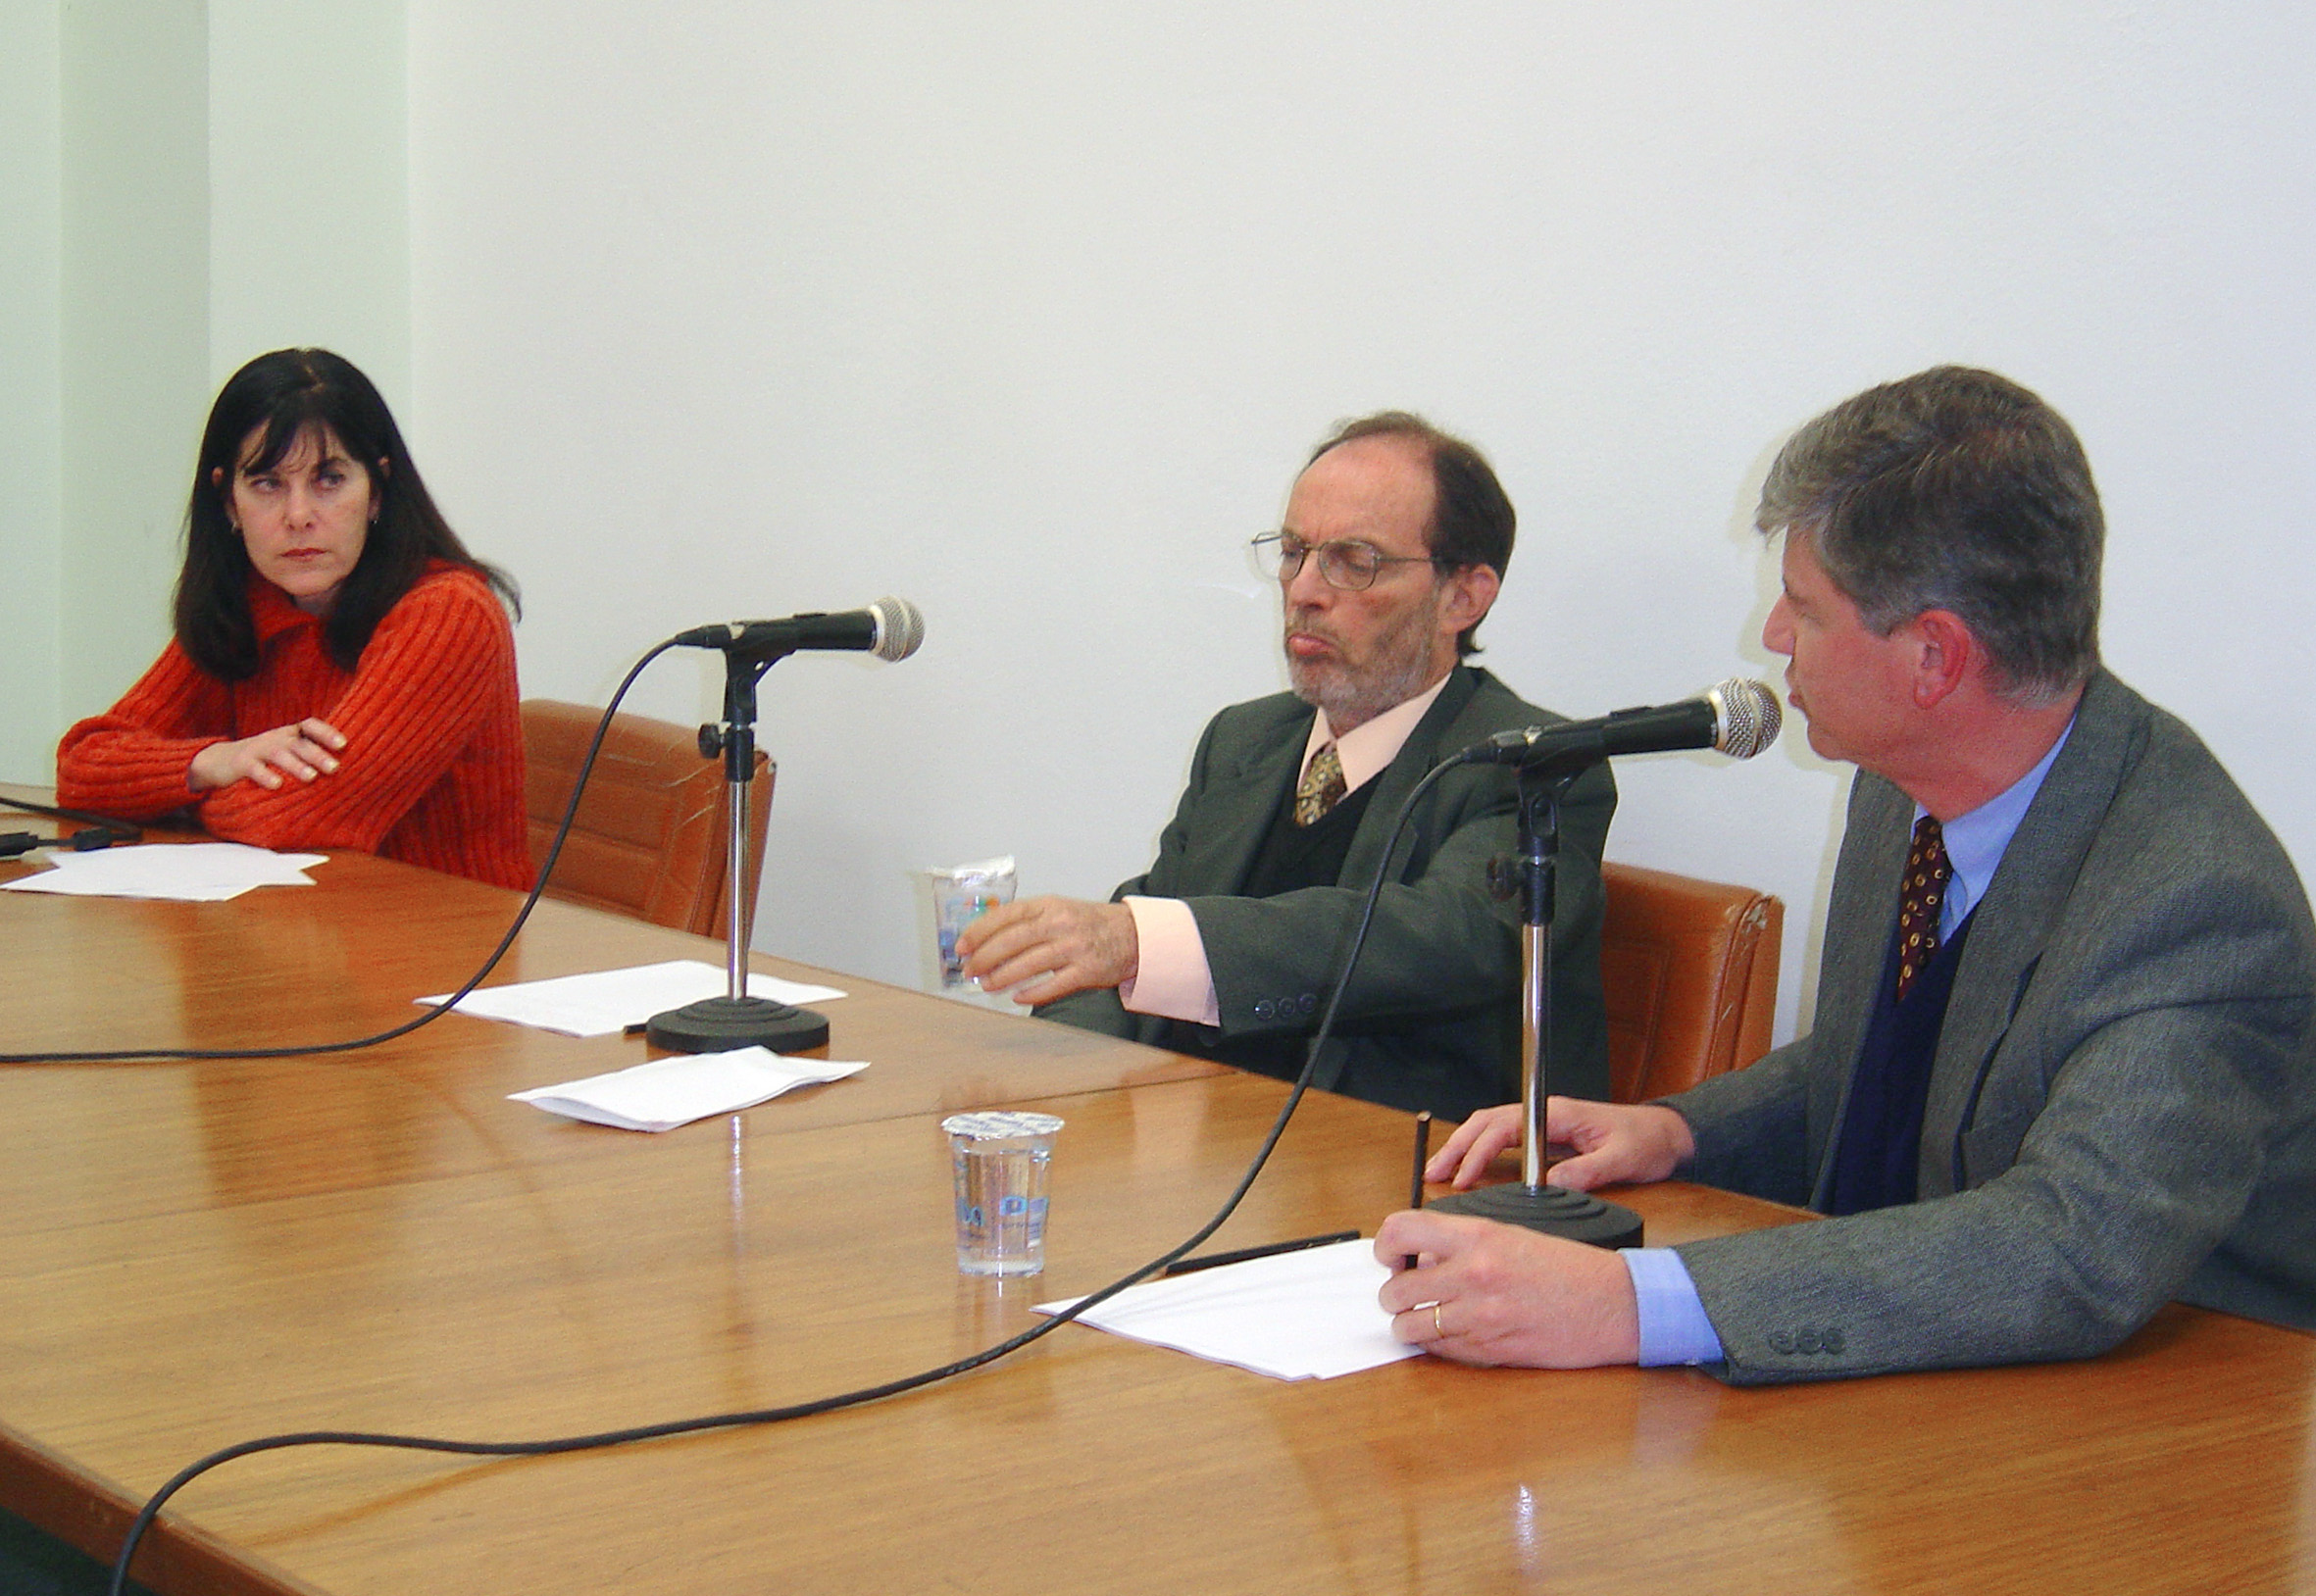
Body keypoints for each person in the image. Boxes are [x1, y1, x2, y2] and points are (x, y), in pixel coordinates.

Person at [1378, 366, 2316, 1380]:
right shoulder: (1901, 783)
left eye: (1802, 609)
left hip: (2168, 1425)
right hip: (1924, 1386)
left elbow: (2071, 1244)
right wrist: (1679, 1130)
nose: (1771, 639)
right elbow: (1892, 1063)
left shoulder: (2198, 905)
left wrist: (1633, 1304)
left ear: (1934, 658)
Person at [958, 412, 1616, 1119]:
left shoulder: (1535, 766)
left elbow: (1434, 940)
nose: (1304, 590)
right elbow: (1128, 954)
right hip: (1190, 1149)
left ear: (1463, 596)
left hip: (1393, 1169)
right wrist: (1056, 1097)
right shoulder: (1244, 741)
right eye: (1296, 551)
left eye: (1353, 561)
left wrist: (1136, 941)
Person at [56, 348, 531, 891]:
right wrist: (216, 761)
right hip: (301, 936)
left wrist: (184, 802)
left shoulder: (448, 615)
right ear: (228, 503)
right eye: (267, 484)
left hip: (449, 949)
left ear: (376, 489)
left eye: (329, 480)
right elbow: (82, 769)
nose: (299, 515)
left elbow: (291, 820)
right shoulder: (251, 603)